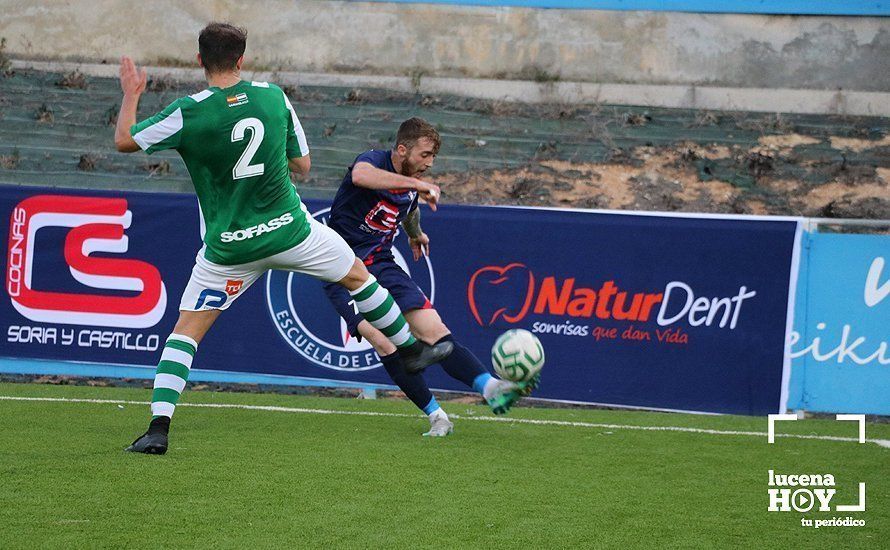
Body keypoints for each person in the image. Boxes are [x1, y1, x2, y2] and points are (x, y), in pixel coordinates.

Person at [114, 23, 452, 454]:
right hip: (291, 231)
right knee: (359, 276)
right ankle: (408, 348)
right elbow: (303, 165)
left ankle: (158, 429)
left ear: (200, 60)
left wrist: (131, 92)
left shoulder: (189, 111)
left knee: (185, 335)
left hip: (230, 248)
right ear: (241, 59)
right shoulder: (273, 97)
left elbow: (125, 140)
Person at [323, 118, 537, 437]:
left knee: (434, 330)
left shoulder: (410, 183)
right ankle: (436, 415)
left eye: (432, 157)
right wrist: (418, 187)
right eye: (424, 155)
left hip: (381, 262)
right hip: (341, 265)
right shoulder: (373, 161)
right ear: (401, 149)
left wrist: (415, 234)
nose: (429, 163)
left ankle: (490, 387)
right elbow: (361, 176)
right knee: (385, 341)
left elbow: (409, 210)